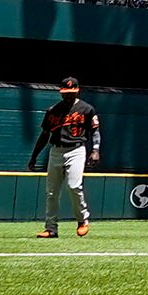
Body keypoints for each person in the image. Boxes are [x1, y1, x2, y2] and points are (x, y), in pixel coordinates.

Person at [30, 76, 101, 238]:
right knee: (52, 192)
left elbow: (95, 131)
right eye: (65, 92)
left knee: (74, 186)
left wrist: (95, 149)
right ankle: (51, 228)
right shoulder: (53, 110)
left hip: (76, 150)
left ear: (77, 91)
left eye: (72, 92)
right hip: (56, 150)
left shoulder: (86, 109)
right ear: (61, 92)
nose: (68, 95)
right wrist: (34, 156)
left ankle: (82, 220)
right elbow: (44, 135)